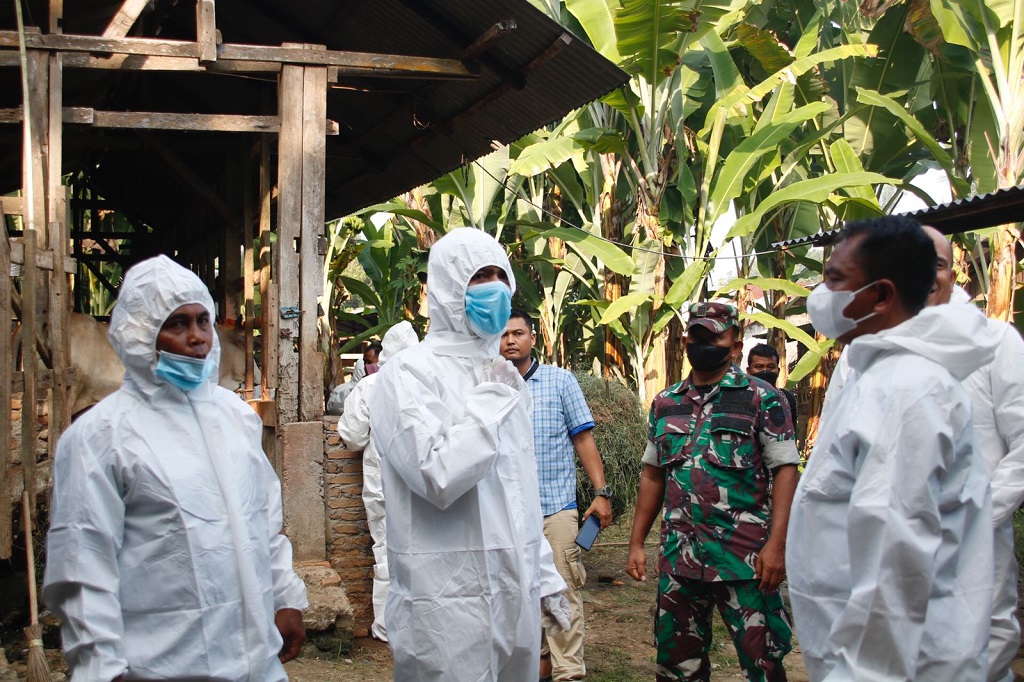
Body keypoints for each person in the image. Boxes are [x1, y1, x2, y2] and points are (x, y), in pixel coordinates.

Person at [43, 255, 308, 681]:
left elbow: (263, 521)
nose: (198, 338)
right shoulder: (101, 436)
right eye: (177, 324)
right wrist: (102, 667)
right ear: (141, 334)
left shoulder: (235, 419)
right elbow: (83, 568)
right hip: (161, 665)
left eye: (203, 321)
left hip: (254, 661)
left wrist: (285, 597)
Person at [787, 216, 997, 680]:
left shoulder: (908, 392)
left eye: (835, 280)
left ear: (881, 295)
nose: (821, 296)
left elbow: (896, 564)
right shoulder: (876, 375)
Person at [367, 228, 569, 681]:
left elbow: (519, 491)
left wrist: (543, 573)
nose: (495, 288)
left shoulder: (501, 375)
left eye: (501, 275)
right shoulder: (408, 374)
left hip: (512, 586)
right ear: (446, 288)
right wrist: (490, 400)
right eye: (480, 277)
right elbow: (438, 475)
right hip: (444, 601)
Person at [626, 301, 800, 682]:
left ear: (735, 345)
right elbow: (653, 475)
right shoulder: (666, 402)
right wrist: (637, 542)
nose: (704, 344)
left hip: (745, 559)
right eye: (697, 336)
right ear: (686, 340)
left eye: (715, 337)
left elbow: (786, 470)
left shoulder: (760, 398)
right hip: (679, 558)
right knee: (676, 667)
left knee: (763, 664)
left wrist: (778, 545)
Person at [921, 224, 1024, 682]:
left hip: (976, 536)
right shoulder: (869, 351)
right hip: (890, 539)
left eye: (935, 263)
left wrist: (978, 514)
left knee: (982, 645)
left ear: (952, 271)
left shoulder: (997, 342)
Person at [501, 310, 612, 682]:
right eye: (503, 335)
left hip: (555, 508)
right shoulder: (488, 385)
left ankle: (569, 673)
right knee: (519, 595)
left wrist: (602, 492)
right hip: (507, 515)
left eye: (518, 333)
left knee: (562, 592)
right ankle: (540, 662)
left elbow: (583, 439)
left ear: (533, 338)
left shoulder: (560, 381)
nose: (510, 340)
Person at [336, 320, 419, 643]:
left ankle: (386, 626)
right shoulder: (429, 385)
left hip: (381, 486)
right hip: (424, 487)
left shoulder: (369, 387)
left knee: (385, 553)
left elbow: (353, 437)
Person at [745, 344, 797, 422]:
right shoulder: (741, 398)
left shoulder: (788, 398)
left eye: (771, 367)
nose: (765, 371)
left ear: (778, 371)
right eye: (759, 367)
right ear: (748, 371)